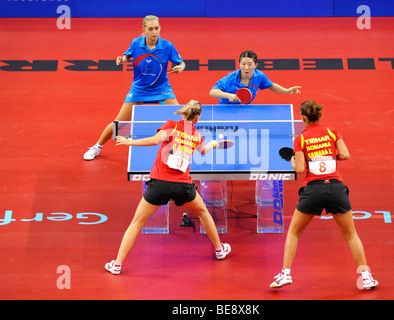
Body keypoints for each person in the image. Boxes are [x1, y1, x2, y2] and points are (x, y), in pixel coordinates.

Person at [105, 100, 231, 275]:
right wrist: (215, 144)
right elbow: (203, 151)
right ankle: (219, 250)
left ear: (184, 112)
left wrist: (128, 142)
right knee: (202, 212)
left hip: (159, 185)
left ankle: (117, 264)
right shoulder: (197, 135)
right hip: (183, 186)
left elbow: (154, 140)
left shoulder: (172, 126)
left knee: (136, 223)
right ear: (198, 117)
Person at [270, 100, 378, 290]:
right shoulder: (332, 132)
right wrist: (326, 156)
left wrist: (294, 163)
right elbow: (345, 155)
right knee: (351, 235)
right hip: (336, 189)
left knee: (294, 233)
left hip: (313, 191)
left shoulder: (300, 139)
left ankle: (285, 274)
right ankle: (366, 276)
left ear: (303, 118)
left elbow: (301, 168)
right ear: (319, 116)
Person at [84, 15, 186, 161]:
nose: (154, 32)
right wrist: (123, 58)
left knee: (179, 119)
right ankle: (97, 147)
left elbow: (181, 62)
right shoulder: (136, 43)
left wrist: (180, 67)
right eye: (150, 29)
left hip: (162, 89)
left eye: (156, 28)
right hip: (139, 89)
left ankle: (181, 150)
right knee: (118, 123)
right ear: (143, 30)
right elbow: (128, 54)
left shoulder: (167, 46)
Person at [209, 50, 301, 104]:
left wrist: (286, 91)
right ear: (239, 64)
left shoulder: (259, 76)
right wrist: (228, 95)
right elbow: (213, 92)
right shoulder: (231, 78)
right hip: (226, 109)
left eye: (249, 64)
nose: (246, 68)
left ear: (256, 65)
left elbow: (271, 85)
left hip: (245, 109)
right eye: (243, 64)